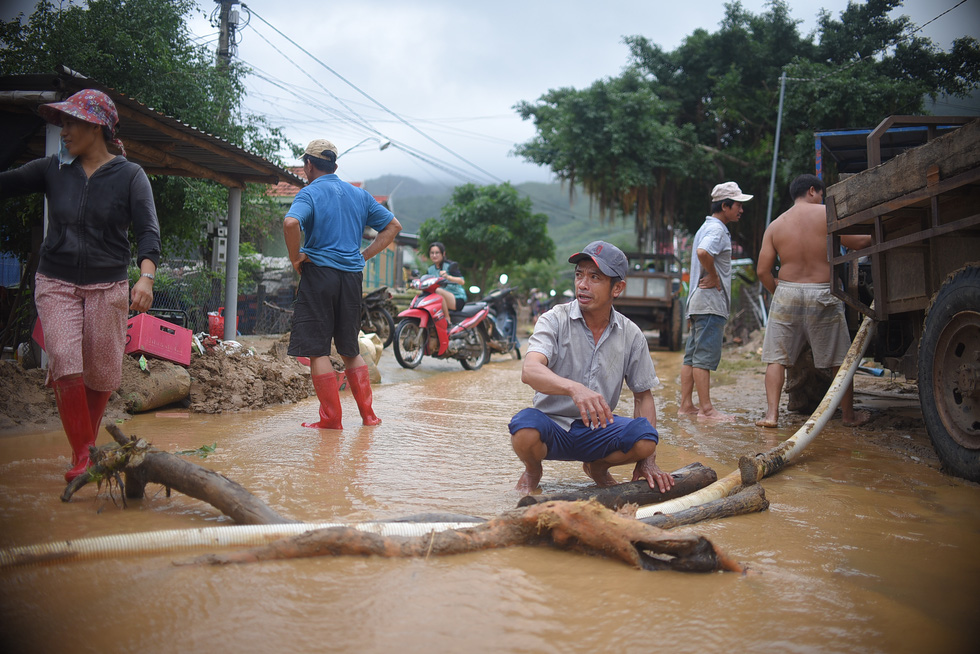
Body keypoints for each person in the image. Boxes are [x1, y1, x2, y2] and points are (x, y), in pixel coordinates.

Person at [0, 89, 161, 482]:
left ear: (96, 126)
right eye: (63, 122)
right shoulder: (51, 169)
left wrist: (146, 275)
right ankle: (84, 457)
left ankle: (85, 453)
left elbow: (148, 231)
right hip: (56, 281)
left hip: (108, 285)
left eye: (71, 122)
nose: (64, 130)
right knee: (66, 362)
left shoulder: (130, 175)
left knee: (103, 374)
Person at [508, 241, 675, 495]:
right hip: (553, 427)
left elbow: (643, 395)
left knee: (646, 439)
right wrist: (574, 389)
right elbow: (530, 370)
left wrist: (647, 461)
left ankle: (597, 467)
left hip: (599, 431)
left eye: (594, 277)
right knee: (524, 427)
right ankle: (533, 470)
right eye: (579, 275)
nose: (582, 285)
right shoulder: (554, 319)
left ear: (617, 288)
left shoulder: (631, 334)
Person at [284, 139, 402, 429]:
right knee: (350, 349)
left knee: (318, 350)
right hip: (351, 278)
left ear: (308, 165)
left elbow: (290, 224)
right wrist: (364, 256)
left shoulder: (309, 192)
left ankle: (331, 420)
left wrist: (295, 257)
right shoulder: (359, 195)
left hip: (318, 274)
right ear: (335, 166)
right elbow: (393, 226)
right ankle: (369, 417)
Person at [755, 174, 873, 428]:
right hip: (822, 292)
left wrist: (778, 293)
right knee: (838, 360)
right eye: (821, 194)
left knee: (777, 358)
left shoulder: (776, 225)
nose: (822, 198)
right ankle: (849, 416)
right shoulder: (827, 215)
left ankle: (771, 416)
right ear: (812, 190)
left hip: (787, 291)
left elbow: (763, 271)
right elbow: (858, 242)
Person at [678, 181, 752, 421]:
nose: (741, 210)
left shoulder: (706, 227)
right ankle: (707, 410)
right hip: (710, 303)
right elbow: (703, 253)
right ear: (725, 205)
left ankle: (686, 405)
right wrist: (712, 275)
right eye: (738, 205)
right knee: (703, 357)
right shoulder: (717, 230)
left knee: (691, 356)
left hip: (698, 302)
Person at [426, 241, 467, 318]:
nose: (434, 255)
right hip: (440, 299)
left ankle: (447, 319)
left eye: (437, 253)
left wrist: (448, 277)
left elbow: (462, 281)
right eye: (432, 253)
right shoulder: (430, 269)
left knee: (438, 290)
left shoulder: (450, 266)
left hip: (456, 299)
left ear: (443, 254)